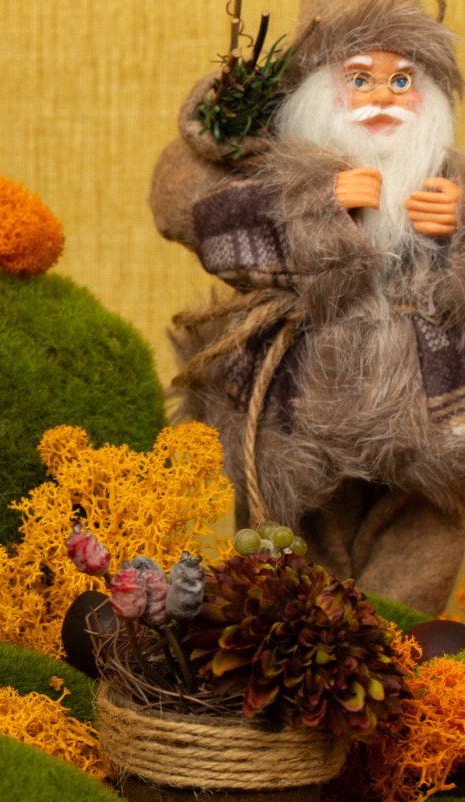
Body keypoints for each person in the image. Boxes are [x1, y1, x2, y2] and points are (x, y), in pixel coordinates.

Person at [150, 0, 465, 614]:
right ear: (320, 91)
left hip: (430, 403)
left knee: (430, 523)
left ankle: (397, 644)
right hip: (302, 398)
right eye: (360, 79)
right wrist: (316, 207)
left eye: (403, 81)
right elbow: (199, 218)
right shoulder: (282, 167)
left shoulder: (449, 178)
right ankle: (299, 637)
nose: (384, 97)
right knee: (293, 537)